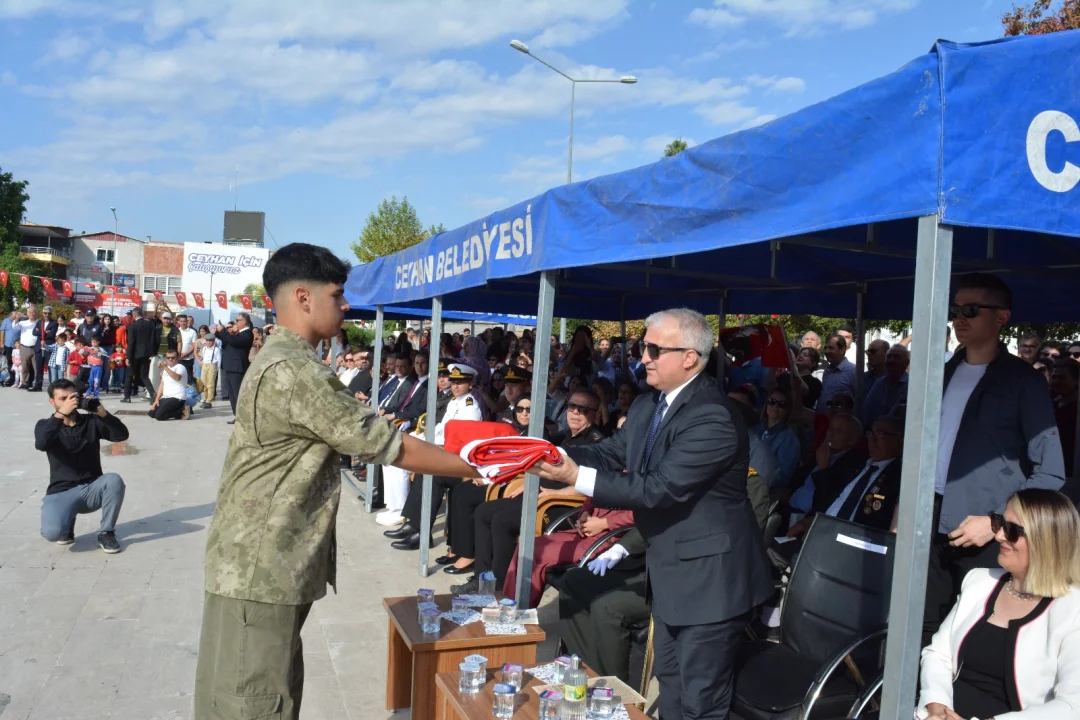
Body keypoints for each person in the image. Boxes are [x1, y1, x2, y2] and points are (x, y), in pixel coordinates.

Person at [194, 243, 481, 720]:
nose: (346, 305)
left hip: (262, 561)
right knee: (251, 702)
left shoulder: (284, 360)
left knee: (267, 689)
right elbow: (388, 444)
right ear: (304, 298)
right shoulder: (295, 371)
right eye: (338, 294)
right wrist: (480, 465)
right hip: (260, 566)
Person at [532, 307, 773, 720]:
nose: (642, 356)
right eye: (644, 347)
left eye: (654, 349)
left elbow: (659, 488)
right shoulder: (648, 406)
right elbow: (609, 452)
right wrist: (550, 453)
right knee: (673, 682)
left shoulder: (713, 416)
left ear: (690, 358)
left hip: (712, 582)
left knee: (701, 699)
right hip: (671, 571)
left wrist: (574, 476)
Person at [923, 273, 1066, 646]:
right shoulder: (943, 372)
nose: (960, 318)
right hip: (927, 519)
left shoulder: (1025, 382)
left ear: (1002, 318)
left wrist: (996, 521)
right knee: (923, 625)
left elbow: (1050, 472)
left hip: (985, 533)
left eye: (971, 309)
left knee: (975, 633)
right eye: (956, 309)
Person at [918, 489, 1080, 720]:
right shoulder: (980, 581)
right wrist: (936, 709)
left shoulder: (1073, 609)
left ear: (1046, 540)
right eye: (999, 523)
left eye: (1013, 530)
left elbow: (1072, 707)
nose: (999, 536)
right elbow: (938, 655)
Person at [388, 362, 484, 552]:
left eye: (460, 382)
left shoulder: (471, 407)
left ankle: (422, 532)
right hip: (447, 453)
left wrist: (433, 447)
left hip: (461, 461)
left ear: (470, 384)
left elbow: (461, 440)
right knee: (424, 469)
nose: (455, 386)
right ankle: (413, 524)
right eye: (454, 381)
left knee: (433, 474)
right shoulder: (455, 403)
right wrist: (428, 442)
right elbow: (441, 428)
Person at [34, 378, 129, 553]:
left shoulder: (91, 422)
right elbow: (42, 443)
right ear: (52, 402)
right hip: (61, 491)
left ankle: (106, 532)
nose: (70, 402)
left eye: (72, 397)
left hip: (91, 488)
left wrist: (100, 411)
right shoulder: (45, 425)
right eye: (63, 399)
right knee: (52, 534)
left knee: (113, 480)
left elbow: (121, 435)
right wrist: (60, 414)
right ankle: (66, 525)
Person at [754, 389, 801, 489]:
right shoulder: (756, 429)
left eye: (782, 404)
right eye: (772, 402)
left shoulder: (790, 440)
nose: (775, 406)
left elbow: (781, 477)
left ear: (788, 410)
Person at [214, 312, 254, 423]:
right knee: (232, 394)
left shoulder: (247, 333)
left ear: (244, 322)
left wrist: (223, 331)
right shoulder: (237, 334)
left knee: (237, 394)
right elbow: (227, 341)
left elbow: (233, 342)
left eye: (238, 320)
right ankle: (237, 416)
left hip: (237, 367)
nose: (236, 322)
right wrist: (218, 332)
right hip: (230, 367)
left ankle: (242, 417)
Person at [862, 344, 910, 427]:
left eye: (897, 357)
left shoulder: (911, 386)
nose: (891, 360)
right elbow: (867, 411)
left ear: (906, 362)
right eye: (889, 356)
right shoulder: (879, 383)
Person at [123, 307, 159, 403]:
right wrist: (153, 352)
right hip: (146, 354)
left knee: (129, 375)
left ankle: (127, 397)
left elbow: (131, 343)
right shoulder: (150, 324)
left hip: (134, 355)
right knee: (144, 375)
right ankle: (152, 393)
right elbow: (155, 339)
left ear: (134, 315)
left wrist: (128, 357)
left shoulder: (132, 326)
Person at [816, 333, 856, 411]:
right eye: (826, 348)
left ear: (842, 350)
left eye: (831, 348)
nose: (826, 351)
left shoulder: (852, 371)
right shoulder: (827, 371)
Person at [148, 351, 190, 421]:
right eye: (168, 358)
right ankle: (179, 411)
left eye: (173, 358)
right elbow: (162, 385)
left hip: (177, 397)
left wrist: (165, 367)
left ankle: (181, 411)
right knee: (151, 413)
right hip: (166, 397)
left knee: (159, 416)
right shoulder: (166, 369)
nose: (170, 359)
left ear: (177, 358)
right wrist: (156, 399)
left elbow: (177, 378)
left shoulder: (180, 367)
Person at [177, 314, 198, 383]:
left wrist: (187, 354)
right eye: (181, 321)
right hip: (178, 358)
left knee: (189, 377)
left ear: (187, 322)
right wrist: (178, 354)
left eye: (184, 321)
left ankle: (190, 392)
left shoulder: (192, 332)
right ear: (179, 322)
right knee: (179, 376)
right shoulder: (176, 331)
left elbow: (194, 345)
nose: (183, 323)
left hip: (189, 358)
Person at [1, 309, 19, 387]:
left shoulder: (20, 321)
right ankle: (11, 379)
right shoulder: (6, 321)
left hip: (17, 346)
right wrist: (1, 343)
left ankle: (17, 380)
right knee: (9, 362)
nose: (16, 316)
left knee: (17, 362)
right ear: (11, 315)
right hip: (8, 345)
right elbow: (2, 331)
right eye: (15, 315)